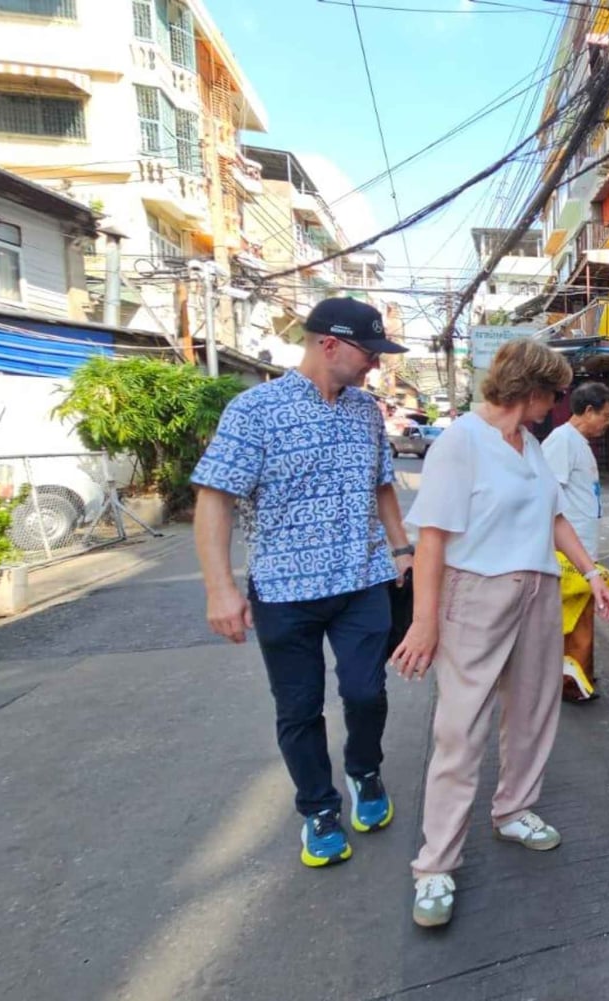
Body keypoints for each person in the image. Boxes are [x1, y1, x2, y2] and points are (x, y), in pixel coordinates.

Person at [389, 338, 609, 929]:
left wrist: (591, 574)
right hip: (476, 591)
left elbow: (554, 516)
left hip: (537, 589)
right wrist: (423, 622)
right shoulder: (461, 442)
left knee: (536, 711)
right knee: (460, 728)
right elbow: (432, 538)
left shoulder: (532, 445)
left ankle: (514, 808)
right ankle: (435, 863)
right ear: (531, 390)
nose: (558, 405)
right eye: (554, 393)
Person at [191, 297, 413, 868]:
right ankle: (317, 806)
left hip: (362, 580)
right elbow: (215, 499)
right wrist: (220, 588)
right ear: (329, 343)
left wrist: (401, 549)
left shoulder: (366, 411)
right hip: (284, 592)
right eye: (370, 353)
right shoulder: (253, 410)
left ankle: (364, 770)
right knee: (299, 708)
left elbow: (382, 484)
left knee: (366, 693)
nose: (375, 365)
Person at [540, 380, 609, 702]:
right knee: (574, 619)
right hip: (568, 549)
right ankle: (572, 683)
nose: (608, 423)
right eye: (606, 415)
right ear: (588, 411)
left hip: (582, 546)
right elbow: (548, 497)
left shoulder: (578, 442)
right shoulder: (562, 441)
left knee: (579, 614)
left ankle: (578, 674)